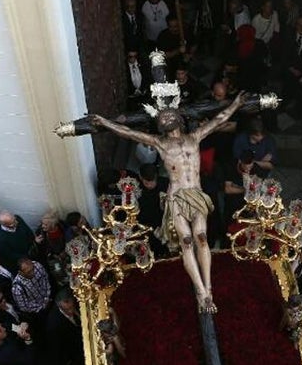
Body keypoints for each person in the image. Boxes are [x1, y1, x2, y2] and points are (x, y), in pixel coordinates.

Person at [89, 92, 247, 312]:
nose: (166, 117)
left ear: (179, 118)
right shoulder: (160, 143)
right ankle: (201, 291)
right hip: (176, 196)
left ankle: (209, 288)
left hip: (196, 193)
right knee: (186, 241)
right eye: (162, 117)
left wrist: (236, 104)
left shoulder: (195, 136)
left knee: (201, 237)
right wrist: (105, 122)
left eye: (169, 114)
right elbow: (129, 132)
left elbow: (218, 120)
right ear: (159, 125)